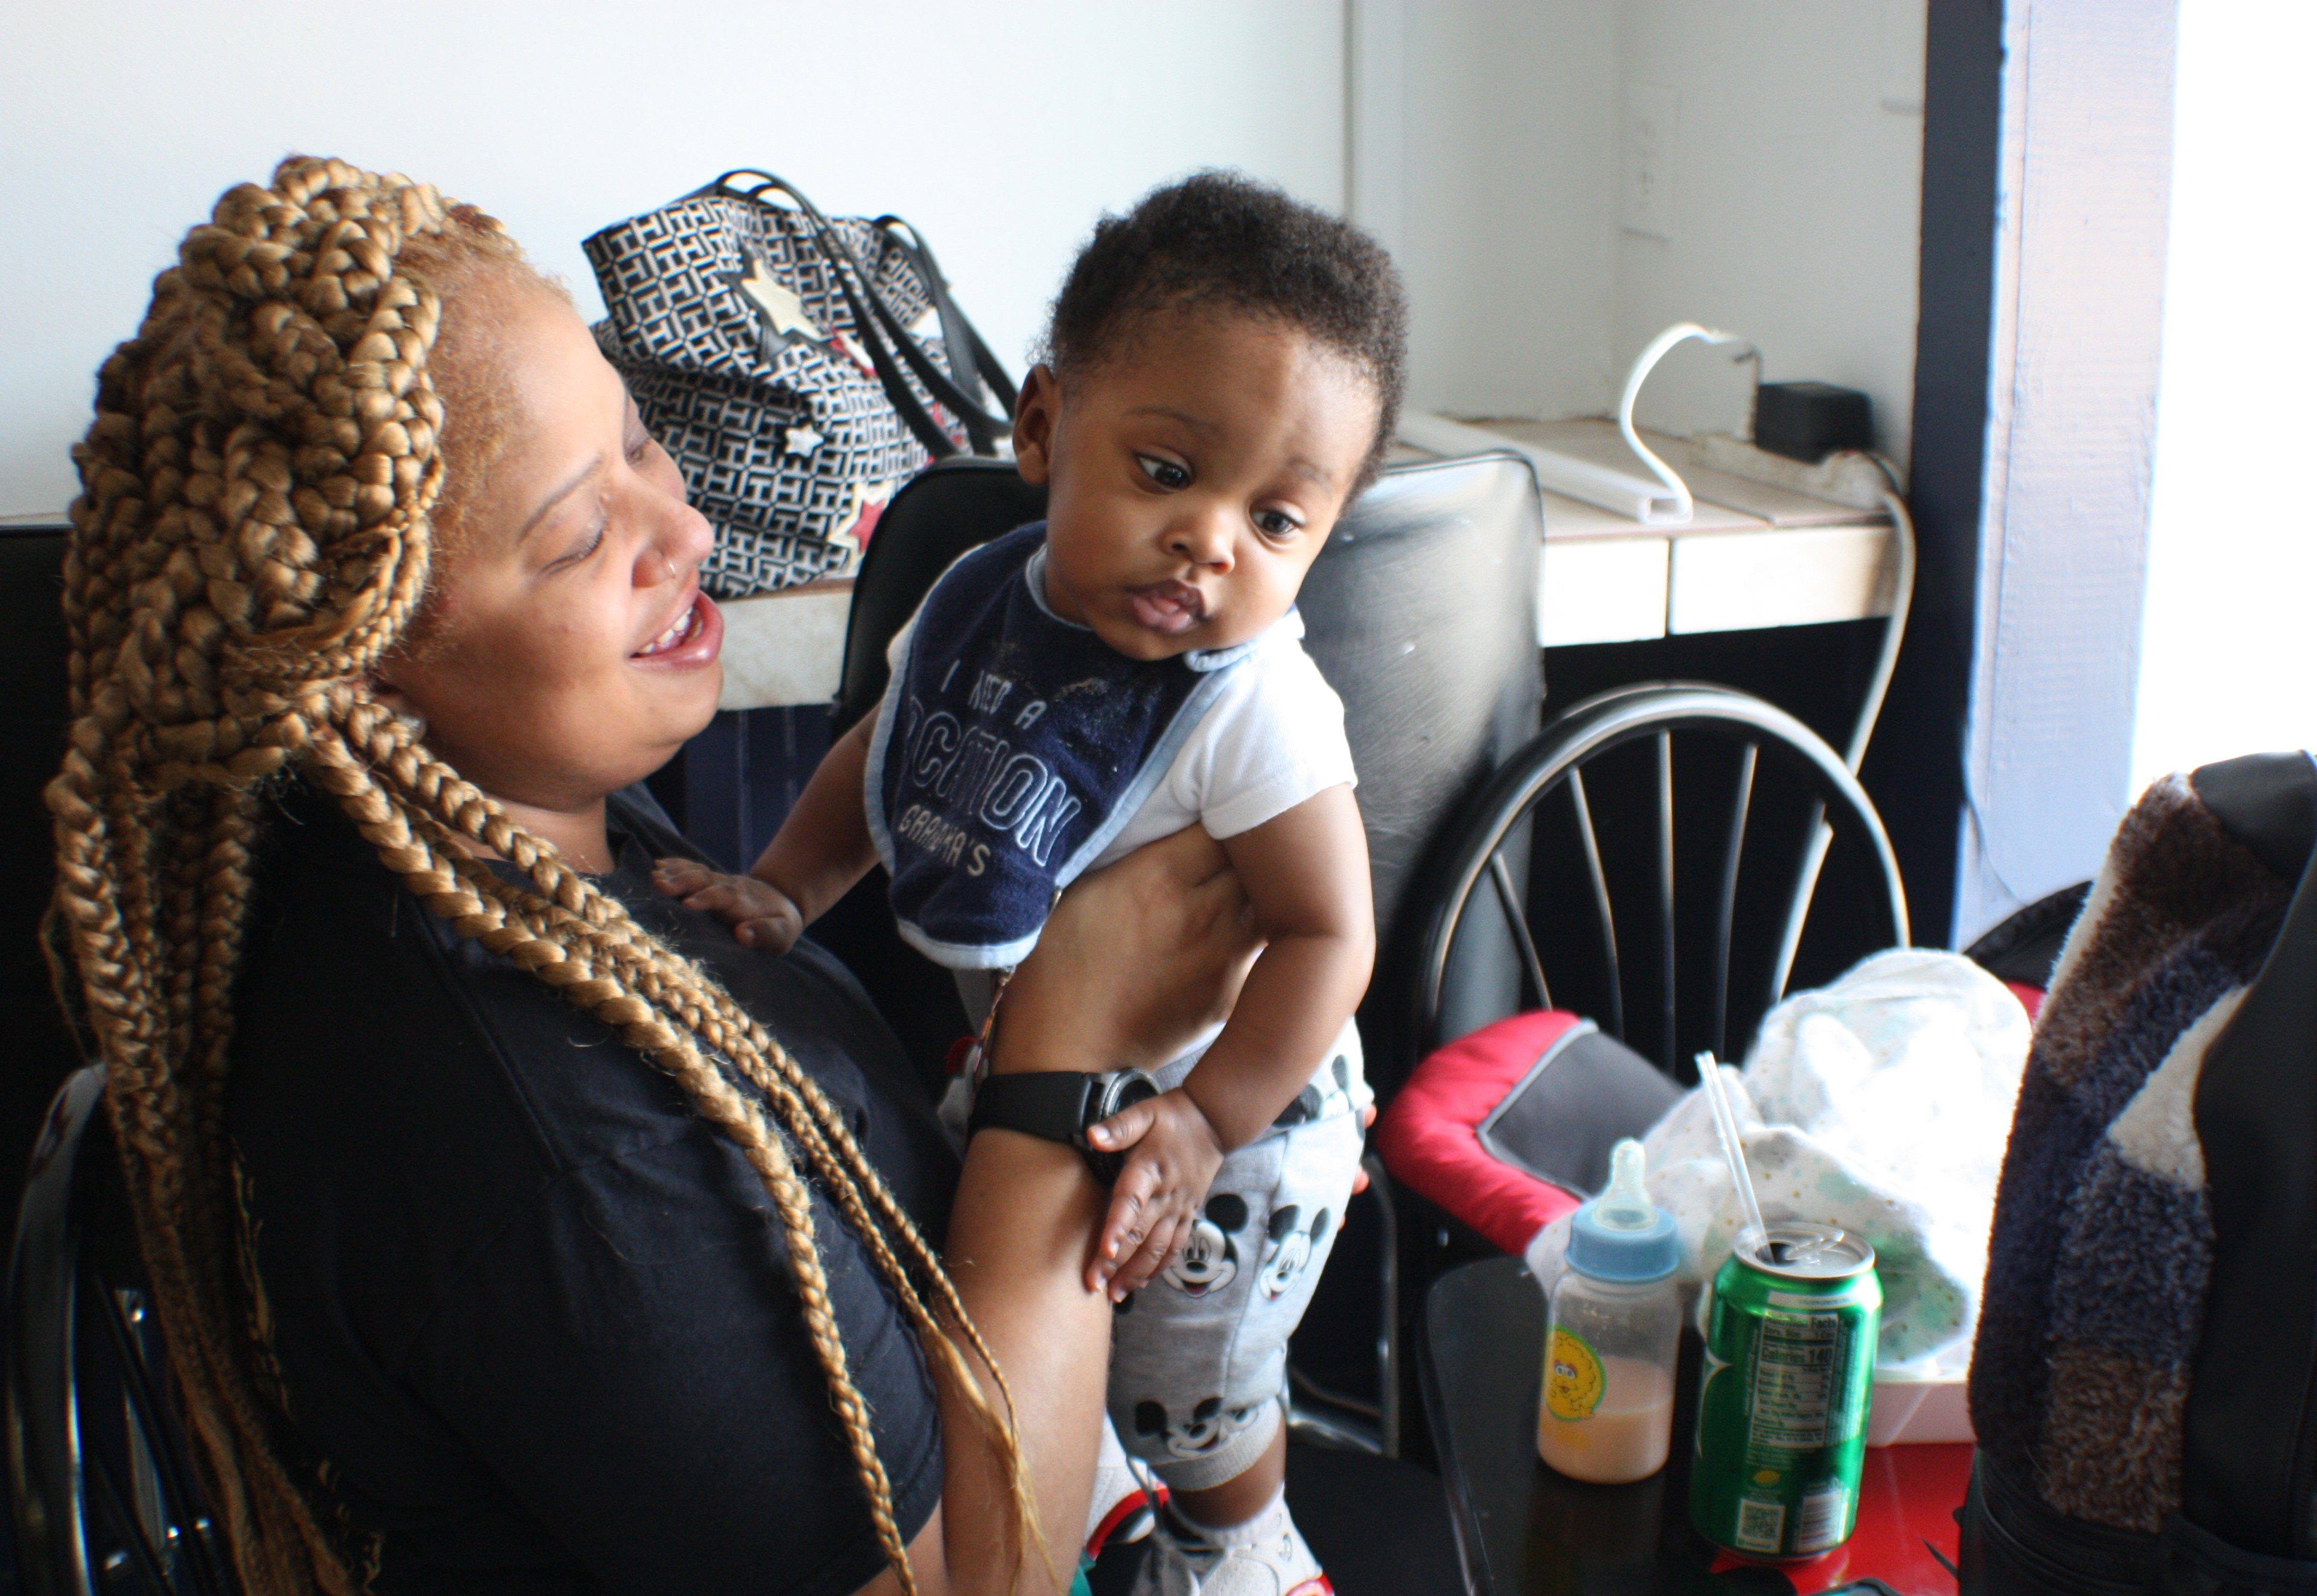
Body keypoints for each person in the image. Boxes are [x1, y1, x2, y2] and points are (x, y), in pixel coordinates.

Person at [47, 154, 1267, 1596]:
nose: (684, 531)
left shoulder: (530, 839)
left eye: (638, 440)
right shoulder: (560, 1165)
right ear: (359, 668)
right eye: (580, 535)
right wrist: (1069, 1057)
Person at [656, 174, 1406, 1596]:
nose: (1211, 543)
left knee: (1198, 1382)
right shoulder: (990, 600)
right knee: (1027, 1299)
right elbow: (897, 756)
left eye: (1278, 520)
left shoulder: (1254, 708)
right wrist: (785, 890)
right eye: (1170, 476)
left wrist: (1203, 1114)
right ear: (1045, 427)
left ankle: (1243, 1535)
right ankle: (1101, 1479)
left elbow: (1328, 933)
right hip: (1047, 1061)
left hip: (1240, 1115)